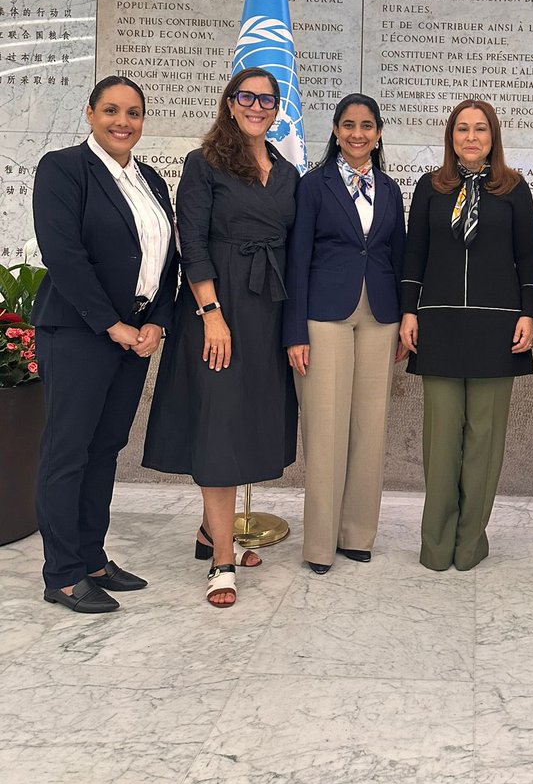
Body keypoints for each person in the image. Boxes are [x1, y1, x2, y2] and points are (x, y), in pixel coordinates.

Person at [143, 69, 298, 608]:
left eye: (267, 100)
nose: (257, 106)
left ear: (278, 109)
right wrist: (211, 313)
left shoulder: (285, 170)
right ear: (230, 104)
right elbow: (194, 240)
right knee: (219, 427)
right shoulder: (204, 163)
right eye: (247, 97)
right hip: (220, 306)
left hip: (267, 309)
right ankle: (222, 559)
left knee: (250, 422)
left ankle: (213, 530)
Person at [32, 76, 177, 614]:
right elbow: (64, 254)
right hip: (79, 333)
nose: (123, 121)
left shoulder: (152, 180)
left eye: (134, 112)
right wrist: (111, 325)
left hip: (133, 339)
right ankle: (63, 574)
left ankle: (92, 558)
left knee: (104, 449)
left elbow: (169, 261)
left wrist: (157, 322)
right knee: (67, 452)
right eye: (112, 110)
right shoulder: (64, 169)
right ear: (89, 113)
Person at [399, 99, 533, 572]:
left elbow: (529, 257)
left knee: (484, 441)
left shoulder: (514, 190)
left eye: (481, 129)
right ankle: (437, 545)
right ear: (451, 136)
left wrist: (528, 314)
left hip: (497, 328)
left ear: (493, 136)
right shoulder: (429, 188)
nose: (472, 137)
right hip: (438, 325)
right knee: (441, 444)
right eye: (463, 129)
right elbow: (413, 253)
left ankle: (470, 541)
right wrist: (407, 312)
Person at [283, 94, 406, 574]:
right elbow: (296, 261)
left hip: (380, 316)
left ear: (378, 133)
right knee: (326, 429)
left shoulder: (391, 190)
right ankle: (318, 544)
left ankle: (357, 533)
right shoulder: (313, 186)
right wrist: (295, 332)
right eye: (349, 125)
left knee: (369, 428)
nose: (358, 134)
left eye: (367, 126)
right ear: (335, 131)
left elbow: (397, 258)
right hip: (324, 316)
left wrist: (405, 323)